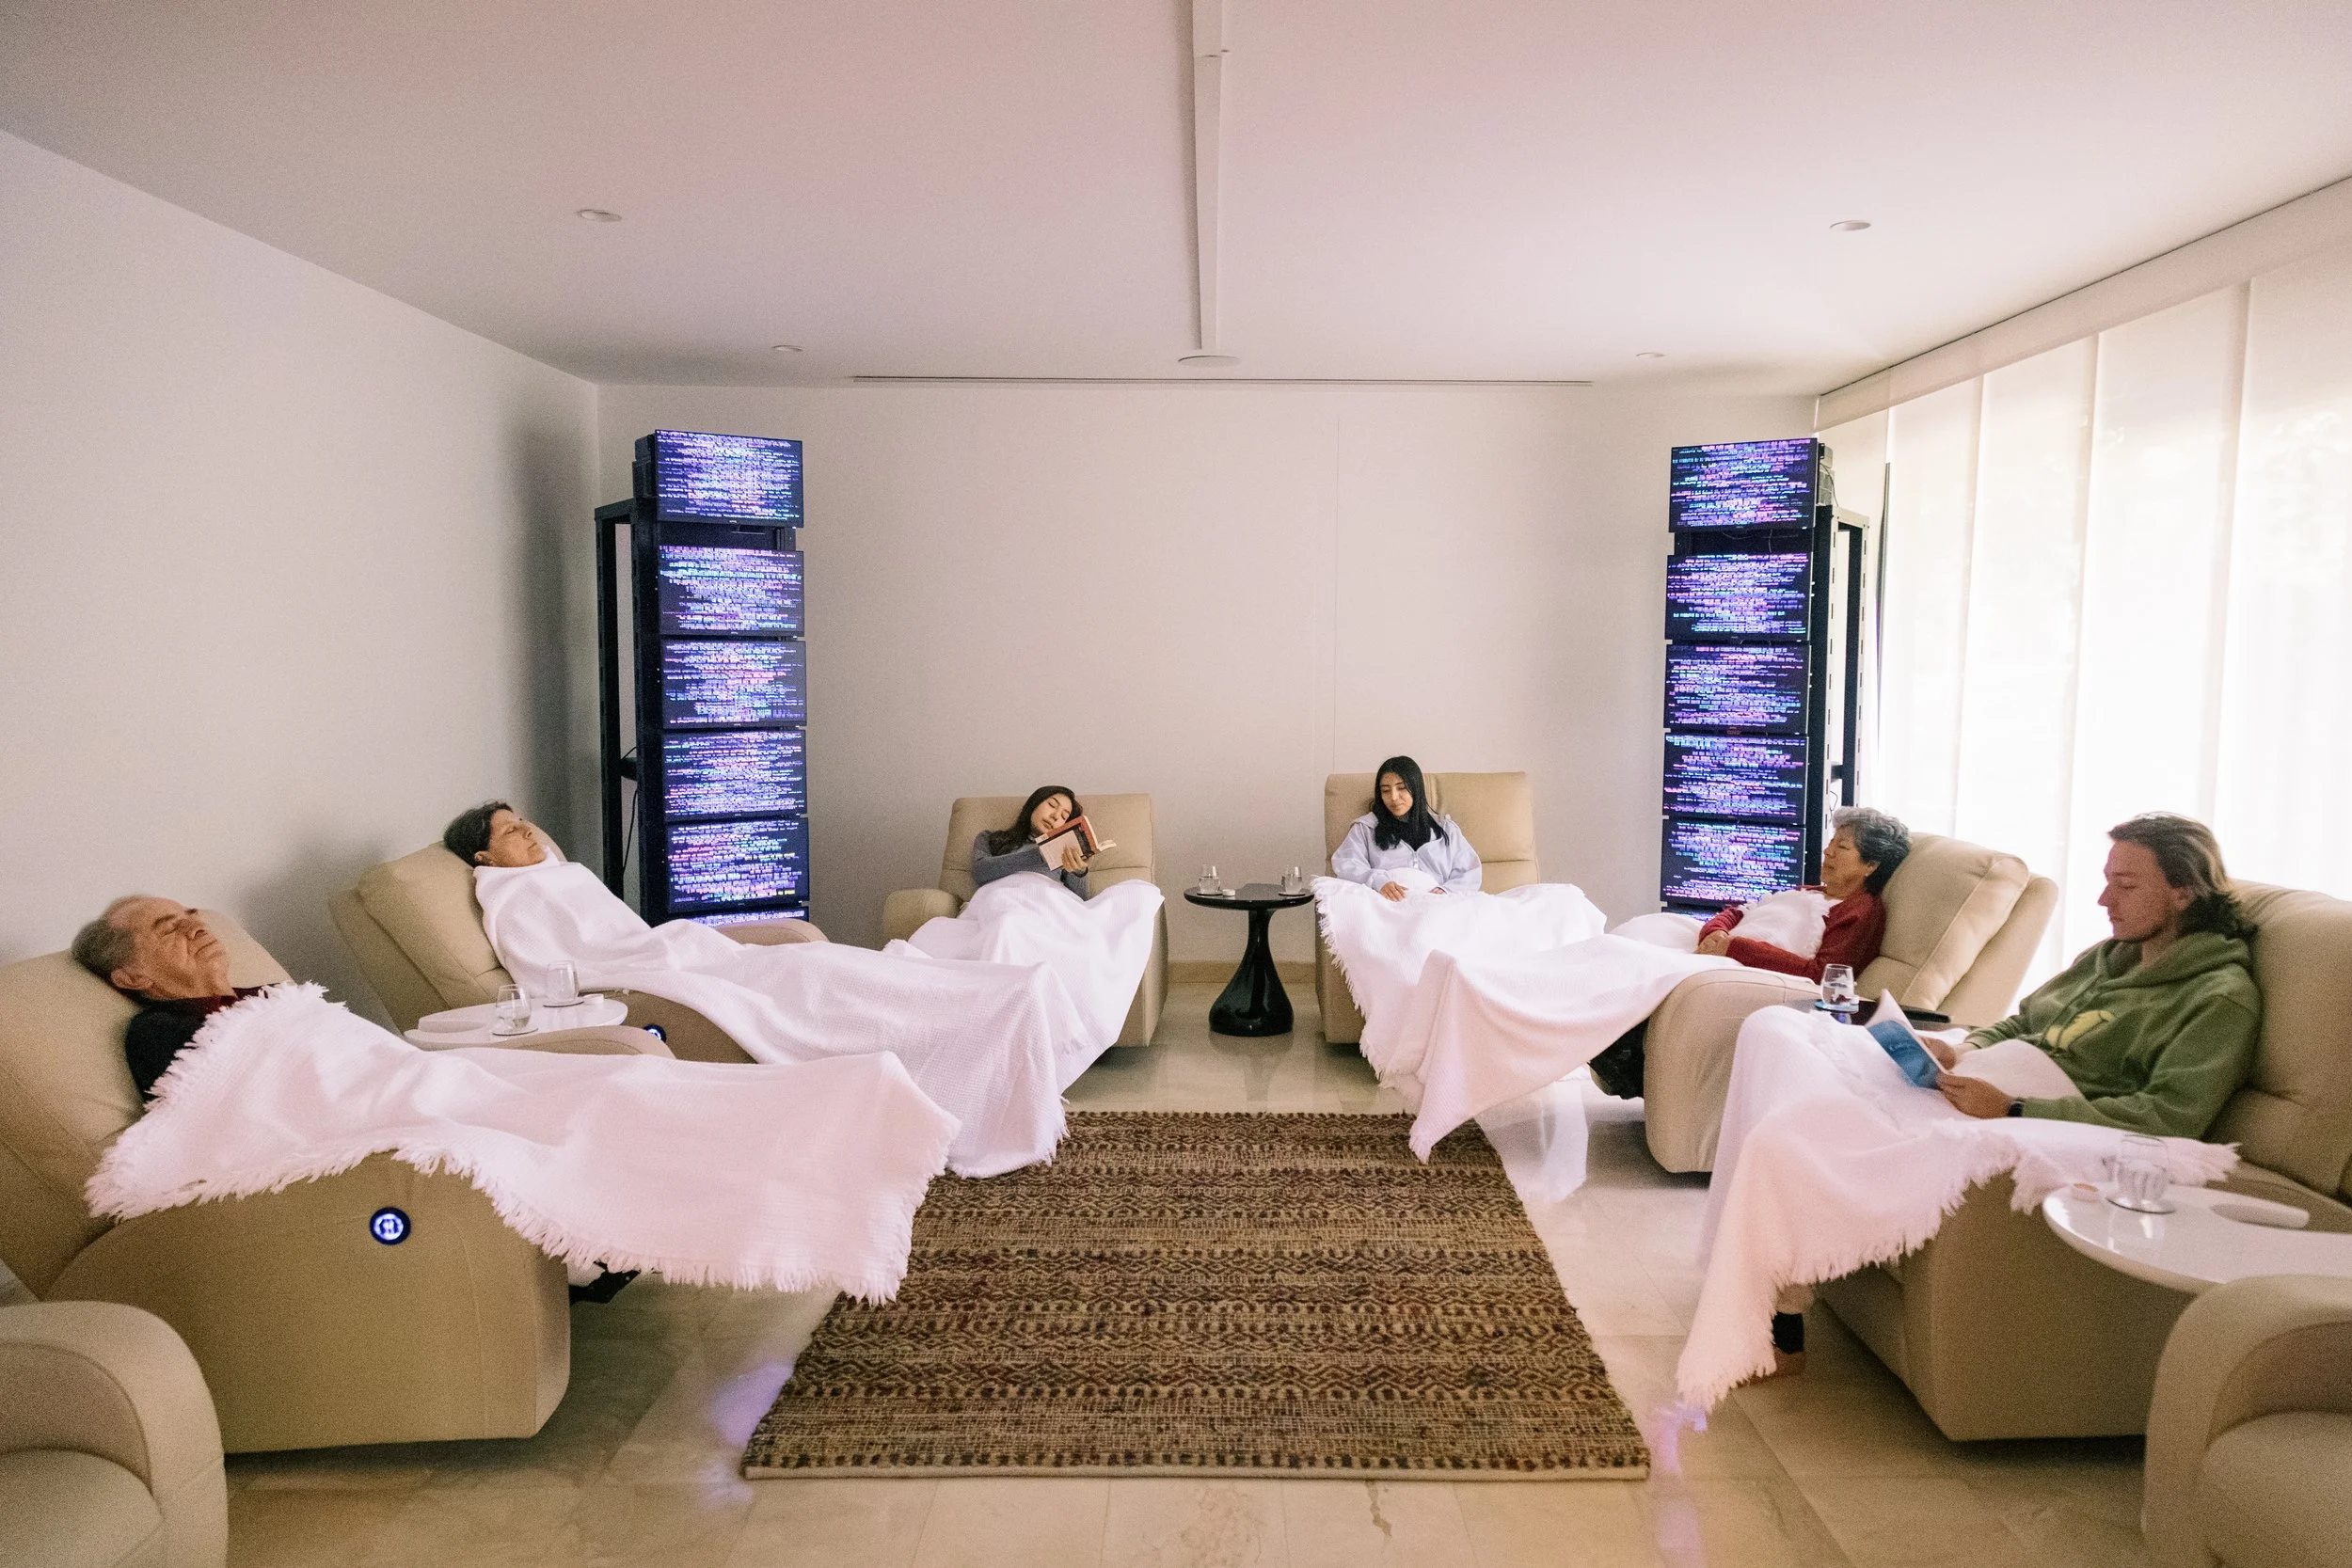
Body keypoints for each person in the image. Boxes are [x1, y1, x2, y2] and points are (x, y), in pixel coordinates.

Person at [1930, 813, 2260, 1137]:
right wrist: (1961, 1051)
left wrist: (2012, 1108)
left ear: (2183, 894)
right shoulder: (2105, 956)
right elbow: (2025, 1022)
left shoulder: (2219, 998)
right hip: (1990, 1089)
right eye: (2108, 882)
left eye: (2127, 886)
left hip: (2046, 1128)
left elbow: (2168, 1115)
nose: (2104, 900)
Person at [72, 896, 263, 1101]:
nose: (197, 928)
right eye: (169, 929)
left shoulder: (271, 994)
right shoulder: (156, 1032)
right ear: (132, 978)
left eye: (193, 917)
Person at [1693, 806, 1910, 980]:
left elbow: (1822, 974)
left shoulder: (1859, 912)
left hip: (1745, 971)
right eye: (1831, 842)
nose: (1828, 851)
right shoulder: (1810, 892)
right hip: (1720, 949)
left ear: (1871, 865)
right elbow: (1739, 912)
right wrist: (1715, 932)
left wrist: (1735, 947)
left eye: (1842, 847)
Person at [1331, 756, 1481, 900]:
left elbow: (1469, 871)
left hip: (1438, 905)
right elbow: (1348, 864)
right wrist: (1378, 881)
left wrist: (1446, 890)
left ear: (1416, 788)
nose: (1393, 797)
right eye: (1386, 790)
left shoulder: (1446, 829)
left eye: (1402, 788)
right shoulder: (1365, 828)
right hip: (1387, 905)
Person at [969, 785, 1093, 898]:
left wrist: (1080, 872)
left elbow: (1081, 900)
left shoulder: (1062, 851)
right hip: (1005, 898)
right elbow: (981, 873)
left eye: (1063, 816)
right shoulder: (989, 837)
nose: (1055, 816)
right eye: (1052, 805)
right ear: (1034, 804)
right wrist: (1040, 855)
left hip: (1049, 902)